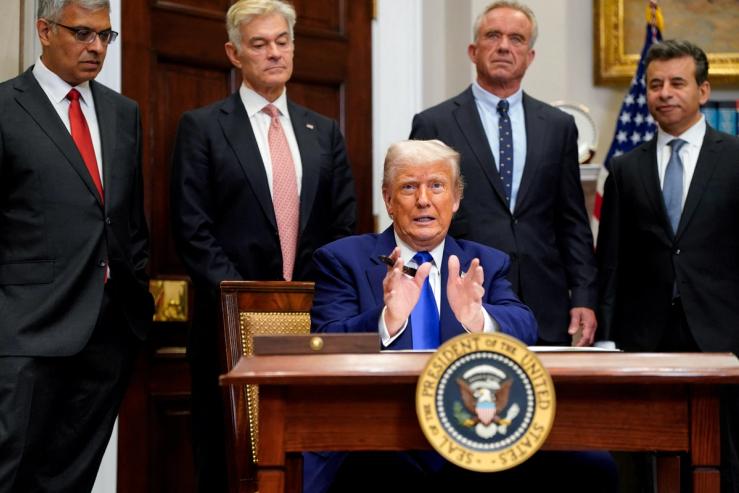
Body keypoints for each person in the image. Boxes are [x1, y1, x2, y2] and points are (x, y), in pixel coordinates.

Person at [169, 0, 356, 490]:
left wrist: (322, 301)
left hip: (313, 326)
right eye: (259, 44)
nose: (274, 53)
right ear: (234, 53)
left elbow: (342, 228)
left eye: (283, 41)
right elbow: (193, 229)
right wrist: (249, 301)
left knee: (305, 458)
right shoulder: (203, 127)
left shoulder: (324, 131)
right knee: (228, 462)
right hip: (227, 328)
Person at [308, 139, 536, 493]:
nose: (424, 200)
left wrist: (477, 320)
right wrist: (387, 320)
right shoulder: (342, 259)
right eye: (409, 187)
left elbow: (525, 327)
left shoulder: (486, 263)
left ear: (456, 198)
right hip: (376, 432)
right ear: (388, 199)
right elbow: (326, 344)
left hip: (469, 427)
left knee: (589, 466)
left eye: (437, 186)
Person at [0, 0, 154, 491]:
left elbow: (129, 221)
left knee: (72, 479)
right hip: (26, 333)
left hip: (108, 332)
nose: (96, 48)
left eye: (105, 37)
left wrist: (135, 296)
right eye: (82, 33)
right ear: (44, 31)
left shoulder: (122, 112)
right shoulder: (6, 107)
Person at [410, 1, 597, 347]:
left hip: (545, 300)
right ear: (473, 50)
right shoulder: (434, 123)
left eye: (517, 38)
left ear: (530, 55)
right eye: (493, 36)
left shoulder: (559, 127)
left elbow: (572, 220)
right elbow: (420, 215)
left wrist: (584, 295)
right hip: (464, 293)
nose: (504, 46)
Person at [597, 39, 739, 492]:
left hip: (723, 333)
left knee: (725, 456)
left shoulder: (735, 159)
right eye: (655, 84)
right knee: (643, 460)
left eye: (677, 82)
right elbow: (612, 263)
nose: (664, 93)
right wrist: (605, 334)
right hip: (646, 336)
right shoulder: (624, 168)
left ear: (702, 90)